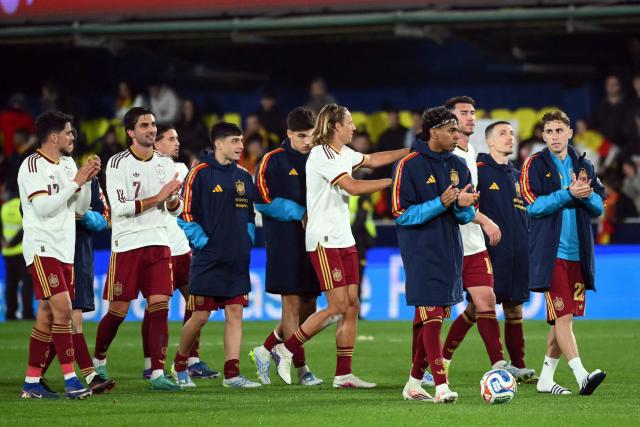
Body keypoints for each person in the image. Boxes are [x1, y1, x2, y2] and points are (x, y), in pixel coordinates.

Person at [272, 103, 408, 388]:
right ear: (336, 126)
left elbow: (372, 159)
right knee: (335, 307)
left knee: (351, 305)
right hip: (324, 240)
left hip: (344, 238)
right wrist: (393, 181)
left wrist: (410, 152)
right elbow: (354, 187)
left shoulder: (344, 153)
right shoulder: (320, 155)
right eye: (349, 123)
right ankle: (285, 349)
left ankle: (344, 374)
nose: (354, 128)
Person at [93, 107, 183, 391]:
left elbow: (175, 209)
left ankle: (157, 373)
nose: (151, 129)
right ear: (130, 132)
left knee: (160, 307)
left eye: (153, 124)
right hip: (128, 244)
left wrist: (172, 202)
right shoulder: (117, 164)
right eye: (144, 125)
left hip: (159, 241)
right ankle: (98, 361)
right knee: (118, 311)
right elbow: (119, 209)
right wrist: (159, 197)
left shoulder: (166, 163)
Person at [393, 106, 478, 403]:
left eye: (458, 130)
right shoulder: (409, 165)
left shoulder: (459, 165)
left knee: (438, 316)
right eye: (451, 130)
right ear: (433, 132)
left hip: (451, 250)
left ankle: (413, 384)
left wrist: (464, 205)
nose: (457, 135)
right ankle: (441, 386)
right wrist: (441, 203)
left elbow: (465, 218)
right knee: (431, 318)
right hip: (420, 252)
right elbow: (401, 214)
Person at [441, 96, 528, 379]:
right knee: (441, 311)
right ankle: (429, 368)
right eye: (463, 113)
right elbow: (458, 203)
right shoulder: (467, 161)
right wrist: (486, 221)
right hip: (457, 244)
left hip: (483, 245)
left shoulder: (475, 155)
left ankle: (502, 365)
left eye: (472, 112)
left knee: (485, 303)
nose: (470, 117)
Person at [520, 110, 606, 395]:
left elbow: (598, 207)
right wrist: (569, 194)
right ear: (543, 136)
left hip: (578, 254)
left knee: (562, 319)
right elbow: (533, 206)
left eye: (560, 130)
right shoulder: (533, 164)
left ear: (570, 132)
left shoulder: (585, 165)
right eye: (549, 132)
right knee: (564, 316)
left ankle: (546, 380)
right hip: (550, 253)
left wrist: (586, 194)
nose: (554, 136)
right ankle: (581, 374)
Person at [18, 110, 100, 399]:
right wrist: (76, 182)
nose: (72, 136)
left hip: (64, 250)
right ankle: (71, 380)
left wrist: (87, 181)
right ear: (53, 137)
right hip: (42, 248)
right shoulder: (32, 166)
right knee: (64, 311)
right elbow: (42, 208)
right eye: (68, 132)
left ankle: (31, 383)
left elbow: (79, 210)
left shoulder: (67, 164)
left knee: (46, 315)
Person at [172, 122, 261, 388]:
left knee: (235, 312)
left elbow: (249, 213)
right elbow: (185, 213)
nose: (240, 146)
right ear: (218, 144)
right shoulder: (199, 172)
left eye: (242, 141)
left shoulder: (244, 176)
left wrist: (247, 237)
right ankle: (179, 365)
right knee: (199, 315)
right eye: (235, 141)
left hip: (237, 259)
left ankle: (232, 375)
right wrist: (202, 241)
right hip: (208, 258)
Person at [249, 107, 323, 386]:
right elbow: (262, 200)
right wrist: (299, 211)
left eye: (312, 136)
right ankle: (302, 369)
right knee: (291, 304)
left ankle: (267, 348)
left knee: (310, 308)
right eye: (302, 136)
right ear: (289, 133)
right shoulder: (272, 160)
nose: (307, 141)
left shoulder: (320, 158)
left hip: (314, 240)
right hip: (283, 240)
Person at [141, 123, 219, 382]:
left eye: (177, 138)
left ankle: (192, 359)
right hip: (159, 247)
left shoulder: (182, 169)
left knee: (196, 304)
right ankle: (149, 362)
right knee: (154, 309)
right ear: (157, 144)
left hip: (184, 248)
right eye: (171, 139)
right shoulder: (146, 169)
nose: (177, 143)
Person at [476, 121, 536, 380]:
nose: (510, 138)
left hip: (517, 253)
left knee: (515, 309)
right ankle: (442, 361)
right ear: (489, 141)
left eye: (512, 133)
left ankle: (519, 365)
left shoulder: (516, 175)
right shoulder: (478, 170)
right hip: (490, 252)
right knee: (479, 307)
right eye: (503, 134)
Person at [2, 183, 34, 320]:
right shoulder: (23, 206)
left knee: (11, 284)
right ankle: (27, 313)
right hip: (22, 251)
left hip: (7, 253)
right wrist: (13, 242)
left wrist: (4, 242)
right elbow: (24, 229)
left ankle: (10, 313)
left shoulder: (4, 207)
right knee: (27, 283)